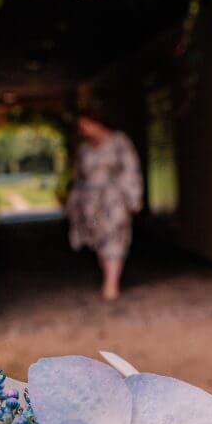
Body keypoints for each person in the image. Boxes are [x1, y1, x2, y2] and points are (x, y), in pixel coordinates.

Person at [66, 112, 143, 301]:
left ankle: (111, 282)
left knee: (116, 234)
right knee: (98, 235)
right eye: (81, 127)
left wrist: (133, 197)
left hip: (114, 199)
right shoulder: (84, 149)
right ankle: (107, 276)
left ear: (98, 122)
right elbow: (79, 177)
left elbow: (131, 169)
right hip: (92, 203)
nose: (84, 131)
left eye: (86, 125)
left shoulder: (119, 142)